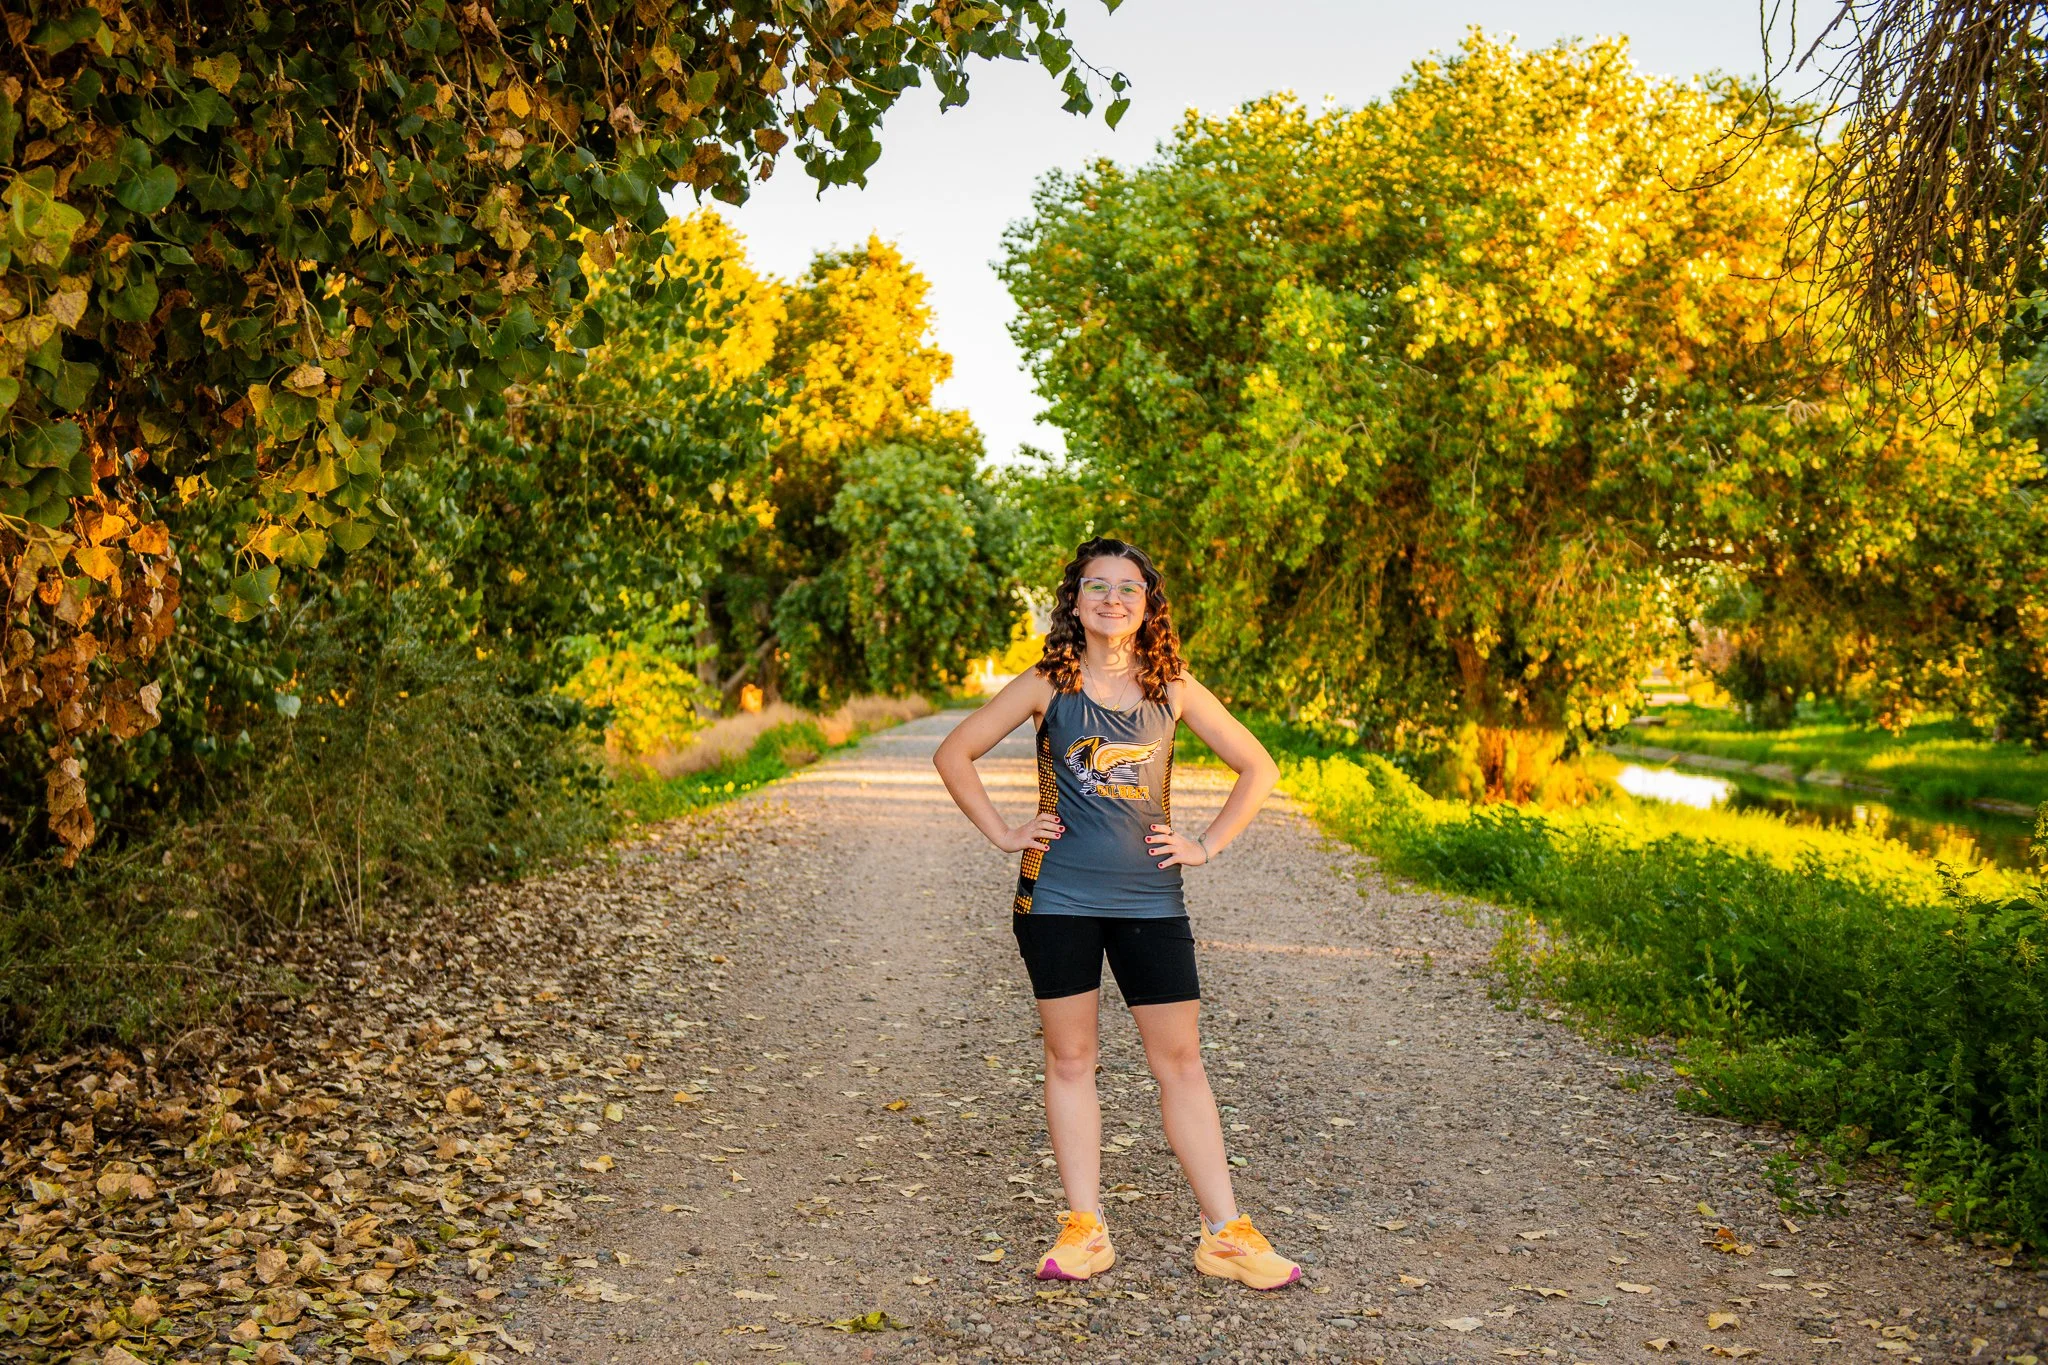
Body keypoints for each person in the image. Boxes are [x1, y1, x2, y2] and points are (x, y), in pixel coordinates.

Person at [932, 536, 1302, 1291]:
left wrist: (1207, 842)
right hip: (1056, 898)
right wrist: (1006, 832)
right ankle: (1084, 1227)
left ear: (1146, 605)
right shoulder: (1046, 683)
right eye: (1096, 586)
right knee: (1071, 1060)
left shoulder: (1175, 688)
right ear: (1074, 601)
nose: (1111, 598)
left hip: (1149, 899)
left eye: (1127, 587)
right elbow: (953, 753)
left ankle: (1225, 1233)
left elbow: (1258, 765)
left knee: (1182, 1062)